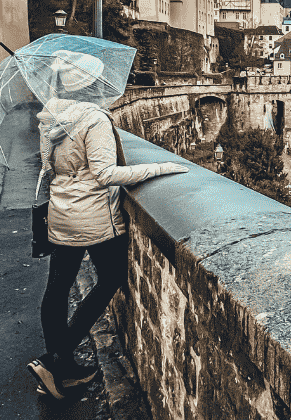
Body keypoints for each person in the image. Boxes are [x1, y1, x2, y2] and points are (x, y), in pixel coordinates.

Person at [26, 51, 188, 399]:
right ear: (90, 86)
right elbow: (105, 175)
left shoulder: (51, 117)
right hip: (95, 217)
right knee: (112, 278)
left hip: (61, 213)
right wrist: (160, 167)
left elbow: (51, 168)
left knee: (56, 290)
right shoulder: (94, 119)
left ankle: (62, 367)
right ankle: (56, 360)